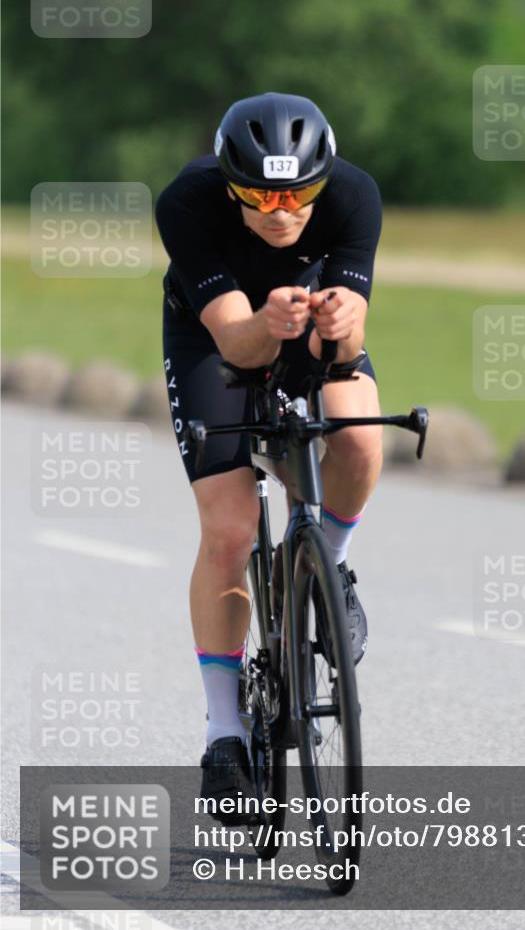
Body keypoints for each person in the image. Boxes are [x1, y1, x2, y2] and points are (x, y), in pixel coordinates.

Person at [155, 92, 383, 813]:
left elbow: (346, 344)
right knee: (227, 529)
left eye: (297, 194)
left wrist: (341, 325)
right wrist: (264, 323)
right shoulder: (188, 203)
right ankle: (224, 733)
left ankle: (331, 563)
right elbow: (234, 342)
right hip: (214, 337)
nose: (279, 211)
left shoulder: (353, 196)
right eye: (257, 194)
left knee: (356, 436)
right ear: (229, 183)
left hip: (306, 323)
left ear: (323, 181)